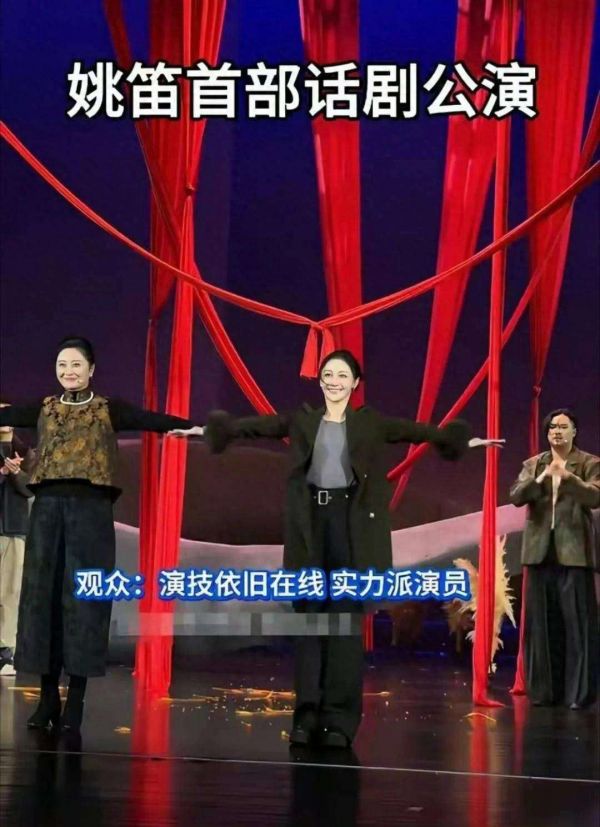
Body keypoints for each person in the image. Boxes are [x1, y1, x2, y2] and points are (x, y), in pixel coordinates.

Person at [174, 349, 502, 748]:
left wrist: (461, 440)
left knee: (344, 625)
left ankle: (339, 722)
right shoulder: (303, 420)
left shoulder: (370, 423)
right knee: (311, 625)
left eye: (342, 375)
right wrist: (208, 431)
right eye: (328, 374)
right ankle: (306, 716)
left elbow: (417, 432)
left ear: (355, 383)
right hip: (311, 527)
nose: (334, 381)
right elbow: (257, 427)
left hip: (352, 529)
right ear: (321, 381)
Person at [0, 336, 199, 732]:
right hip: (47, 513)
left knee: (83, 603)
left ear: (91, 369)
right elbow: (7, 413)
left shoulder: (108, 408)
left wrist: (188, 427)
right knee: (42, 602)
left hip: (90, 514)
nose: (68, 372)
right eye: (62, 365)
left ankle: (76, 699)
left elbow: (149, 419)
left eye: (76, 364)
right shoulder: (44, 407)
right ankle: (47, 698)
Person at [509, 408, 599, 709]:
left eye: (563, 427)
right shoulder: (534, 464)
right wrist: (544, 476)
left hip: (574, 553)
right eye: (552, 428)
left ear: (574, 431)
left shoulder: (589, 463)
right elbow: (517, 495)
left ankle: (579, 695)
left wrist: (568, 477)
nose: (557, 432)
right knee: (542, 627)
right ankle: (544, 693)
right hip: (540, 553)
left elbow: (594, 496)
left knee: (578, 626)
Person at [0, 403, 35, 676]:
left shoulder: (24, 452)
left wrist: (15, 472)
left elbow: (30, 488)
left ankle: (5, 653)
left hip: (13, 530)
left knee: (10, 593)